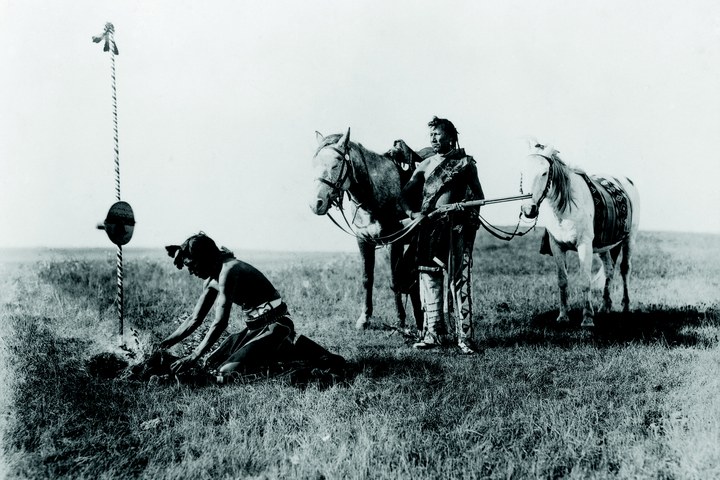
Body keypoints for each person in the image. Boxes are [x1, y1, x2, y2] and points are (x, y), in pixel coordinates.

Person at [156, 232, 344, 380]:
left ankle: (305, 356)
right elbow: (194, 319)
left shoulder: (229, 270)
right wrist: (164, 344)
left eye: (192, 264)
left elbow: (220, 323)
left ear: (205, 257)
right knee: (210, 364)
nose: (190, 272)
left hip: (276, 326)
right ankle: (289, 349)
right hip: (254, 330)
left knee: (226, 374)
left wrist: (193, 355)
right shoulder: (211, 280)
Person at [399, 116, 484, 354]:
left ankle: (464, 339)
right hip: (428, 229)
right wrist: (412, 213)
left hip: (456, 230)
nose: (433, 139)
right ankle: (433, 335)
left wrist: (464, 206)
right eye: (431, 135)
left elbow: (480, 197)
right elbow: (404, 196)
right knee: (429, 280)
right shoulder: (425, 166)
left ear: (450, 136)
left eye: (437, 134)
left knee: (458, 282)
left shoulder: (466, 164)